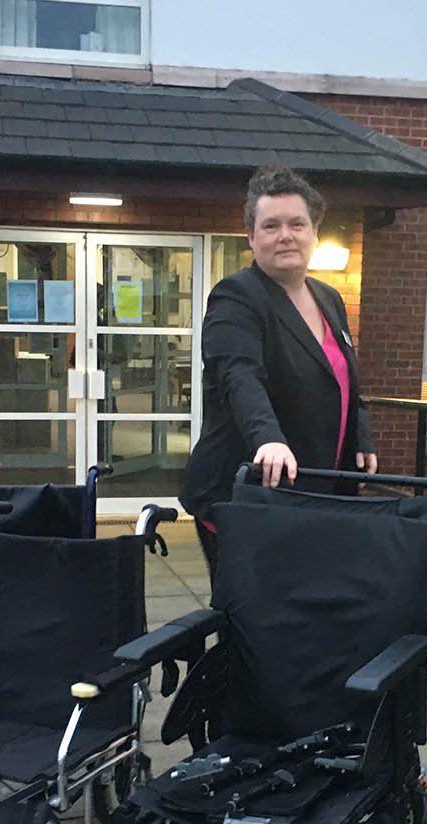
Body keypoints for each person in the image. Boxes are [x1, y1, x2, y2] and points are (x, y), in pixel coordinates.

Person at [179, 164, 377, 573]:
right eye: (270, 226)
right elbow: (239, 376)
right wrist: (266, 439)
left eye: (296, 224)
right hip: (250, 490)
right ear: (251, 237)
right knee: (256, 608)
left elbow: (343, 378)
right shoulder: (236, 297)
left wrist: (360, 437)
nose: (285, 235)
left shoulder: (329, 298)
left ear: (314, 233)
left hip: (318, 488)